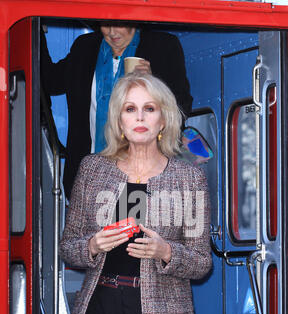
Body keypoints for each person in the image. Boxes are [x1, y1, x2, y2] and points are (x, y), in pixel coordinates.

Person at [59, 73, 211, 314]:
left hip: (159, 311)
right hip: (102, 309)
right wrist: (93, 245)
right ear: (118, 119)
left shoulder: (189, 178)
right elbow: (69, 246)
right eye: (130, 109)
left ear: (163, 118)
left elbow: (202, 261)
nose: (139, 118)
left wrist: (166, 252)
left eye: (149, 109)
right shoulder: (94, 169)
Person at [41, 23, 193, 199]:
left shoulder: (163, 46)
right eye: (105, 24)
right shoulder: (85, 47)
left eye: (119, 24)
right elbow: (49, 81)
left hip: (142, 177)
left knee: (133, 225)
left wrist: (154, 82)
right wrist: (35, 27)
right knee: (89, 227)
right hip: (88, 178)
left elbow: (181, 108)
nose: (112, 32)